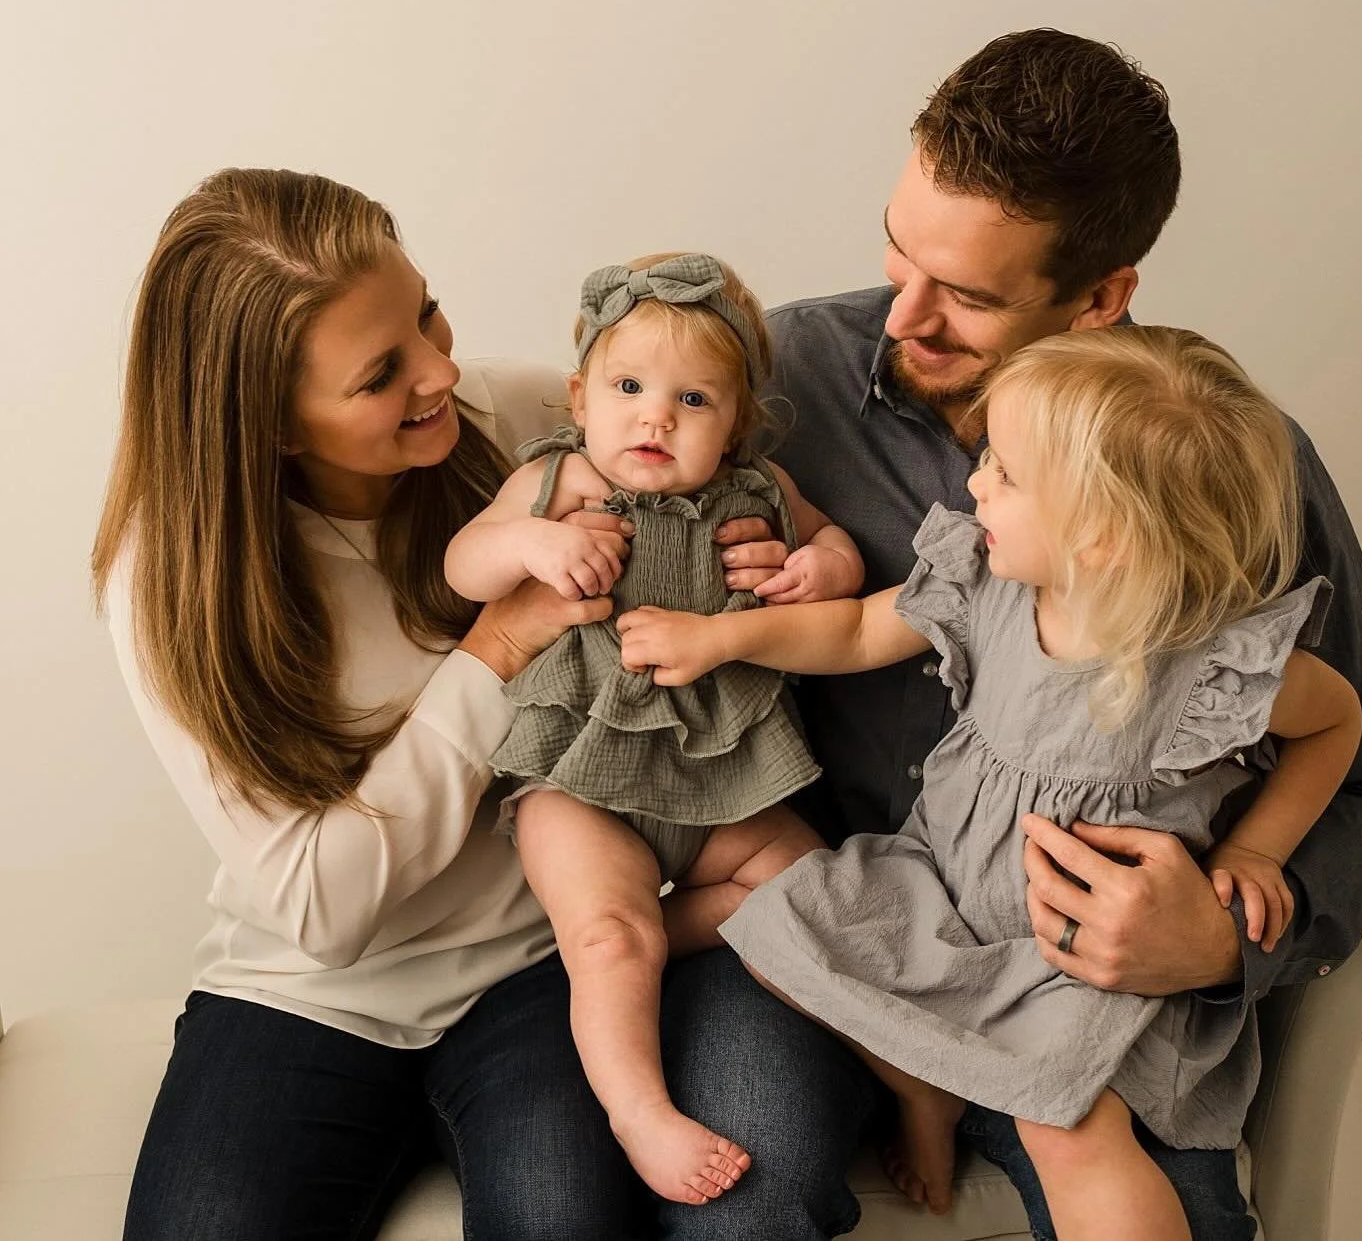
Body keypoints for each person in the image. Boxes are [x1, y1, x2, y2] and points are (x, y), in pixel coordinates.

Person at [708, 28, 1362, 1239]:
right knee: (736, 1184)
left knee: (1178, 1213)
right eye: (900, 248)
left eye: (972, 296)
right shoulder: (778, 381)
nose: (904, 316)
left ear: (1101, 297)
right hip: (862, 915)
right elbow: (607, 500)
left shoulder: (1227, 469)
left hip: (1099, 983)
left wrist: (1222, 933)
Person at [94, 169, 837, 1241]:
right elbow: (322, 910)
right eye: (381, 373)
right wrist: (496, 648)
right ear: (274, 427)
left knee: (563, 1218)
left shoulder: (539, 415)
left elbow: (728, 480)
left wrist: (767, 563)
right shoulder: (169, 581)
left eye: (428, 312)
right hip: (302, 989)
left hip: (529, 969)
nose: (442, 369)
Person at [620, 324, 1362, 1241]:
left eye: (1004, 474)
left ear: (1100, 539)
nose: (974, 485)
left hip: (1079, 963)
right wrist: (721, 637)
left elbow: (1338, 724)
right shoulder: (991, 581)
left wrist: (1257, 850)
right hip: (940, 897)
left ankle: (959, 1085)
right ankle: (919, 1082)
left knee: (1072, 1133)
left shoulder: (1212, 662)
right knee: (782, 929)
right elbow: (852, 633)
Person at [443, 252, 860, 1205]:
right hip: (578, 777)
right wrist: (530, 544)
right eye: (628, 386)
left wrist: (821, 571)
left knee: (814, 888)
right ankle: (643, 1117)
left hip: (716, 773)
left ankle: (891, 1068)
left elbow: (838, 543)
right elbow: (463, 567)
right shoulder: (557, 481)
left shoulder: (759, 491)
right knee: (606, 941)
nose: (655, 417)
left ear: (738, 425)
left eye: (695, 399)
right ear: (580, 396)